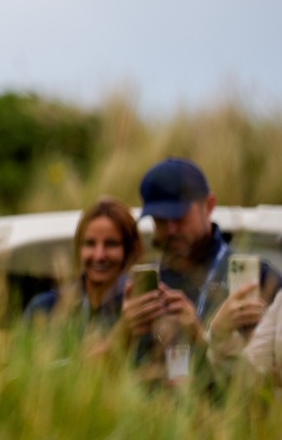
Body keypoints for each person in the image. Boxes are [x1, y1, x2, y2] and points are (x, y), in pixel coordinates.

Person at [116, 158, 282, 382]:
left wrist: (199, 335)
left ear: (210, 205)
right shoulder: (143, 284)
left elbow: (262, 382)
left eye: (179, 216)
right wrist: (123, 333)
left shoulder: (259, 278)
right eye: (161, 220)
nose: (171, 229)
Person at [24, 197, 141, 335]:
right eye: (90, 243)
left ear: (129, 250)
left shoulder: (140, 307)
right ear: (78, 248)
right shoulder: (44, 309)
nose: (99, 256)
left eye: (111, 244)